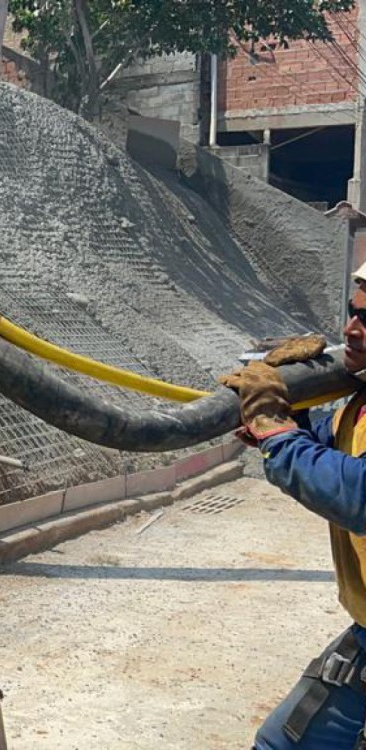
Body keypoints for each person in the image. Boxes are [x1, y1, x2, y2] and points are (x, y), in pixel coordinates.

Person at [221, 262, 366, 750]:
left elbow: (356, 493)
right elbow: (323, 453)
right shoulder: (360, 405)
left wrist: (278, 433)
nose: (350, 330)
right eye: (353, 312)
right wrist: (287, 415)